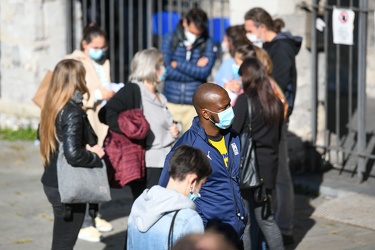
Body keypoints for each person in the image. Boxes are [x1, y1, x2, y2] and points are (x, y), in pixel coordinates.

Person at [159, 83, 248, 248]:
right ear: (206, 113)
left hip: (236, 233)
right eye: (225, 107)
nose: (231, 109)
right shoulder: (188, 147)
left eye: (230, 103)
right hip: (207, 238)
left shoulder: (233, 137)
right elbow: (166, 193)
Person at [244, 7, 302, 244]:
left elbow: (279, 85)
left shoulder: (281, 49)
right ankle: (273, 223)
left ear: (261, 27)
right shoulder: (271, 47)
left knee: (281, 176)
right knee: (271, 174)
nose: (248, 34)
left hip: (275, 119)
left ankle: (284, 228)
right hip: (269, 117)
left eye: (249, 30)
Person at [39, 59, 105, 249]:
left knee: (61, 240)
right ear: (77, 80)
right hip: (67, 186)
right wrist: (95, 154)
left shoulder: (51, 106)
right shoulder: (72, 111)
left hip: (53, 181)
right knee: (64, 243)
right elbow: (73, 154)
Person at [100, 48, 181, 191]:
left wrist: (177, 127)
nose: (164, 69)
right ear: (151, 68)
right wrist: (130, 128)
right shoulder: (133, 90)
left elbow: (165, 122)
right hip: (147, 164)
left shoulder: (159, 95)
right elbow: (105, 113)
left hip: (167, 159)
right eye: (161, 66)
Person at [66, 23, 114, 242]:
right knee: (85, 173)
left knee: (98, 169)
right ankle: (84, 222)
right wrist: (96, 94)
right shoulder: (74, 62)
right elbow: (71, 94)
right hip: (87, 122)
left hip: (101, 124)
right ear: (84, 44)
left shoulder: (103, 61)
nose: (100, 50)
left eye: (103, 46)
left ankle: (95, 215)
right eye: (96, 46)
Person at [232, 57, 284, 250]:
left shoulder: (245, 101)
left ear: (247, 77)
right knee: (268, 220)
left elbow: (233, 133)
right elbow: (277, 138)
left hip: (247, 169)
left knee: (245, 222)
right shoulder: (275, 103)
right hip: (268, 169)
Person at [127, 145, 212, 250]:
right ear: (192, 181)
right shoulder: (189, 219)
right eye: (201, 184)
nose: (200, 190)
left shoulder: (139, 206)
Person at [162, 8, 217, 133]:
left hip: (194, 104)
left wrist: (178, 64)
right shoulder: (170, 38)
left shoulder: (208, 43)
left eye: (198, 33)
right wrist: (194, 67)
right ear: (185, 22)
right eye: (193, 32)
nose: (195, 36)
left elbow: (204, 73)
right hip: (171, 101)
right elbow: (167, 70)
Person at [214, 25, 251, 103]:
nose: (223, 42)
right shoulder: (228, 60)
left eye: (225, 39)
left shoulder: (231, 62)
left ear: (231, 42)